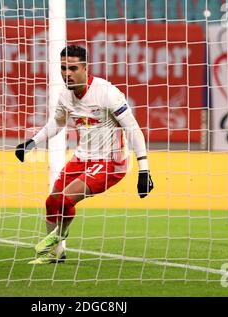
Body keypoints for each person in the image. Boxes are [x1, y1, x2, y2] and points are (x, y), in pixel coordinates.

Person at [15, 45, 153, 264]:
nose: (67, 73)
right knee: (52, 202)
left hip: (110, 162)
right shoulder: (65, 95)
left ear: (85, 68)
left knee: (65, 199)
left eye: (72, 68)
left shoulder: (107, 93)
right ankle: (57, 252)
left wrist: (144, 170)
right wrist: (32, 142)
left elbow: (133, 129)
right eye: (63, 68)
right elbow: (58, 122)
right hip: (81, 159)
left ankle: (55, 240)